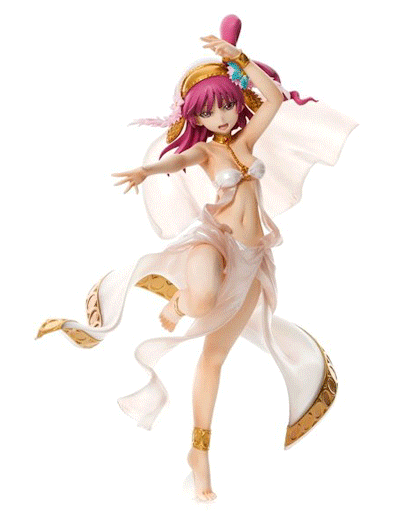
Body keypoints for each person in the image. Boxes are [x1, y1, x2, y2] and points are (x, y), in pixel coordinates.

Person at [36, 15, 358, 502]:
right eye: (210, 112)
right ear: (196, 119)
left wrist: (239, 59)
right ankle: (179, 302)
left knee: (213, 358)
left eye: (227, 105)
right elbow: (179, 160)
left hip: (252, 257)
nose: (222, 117)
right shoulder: (208, 153)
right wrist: (147, 170)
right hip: (214, 241)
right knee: (202, 297)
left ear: (236, 103)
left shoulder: (246, 142)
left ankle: (198, 453)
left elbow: (273, 100)